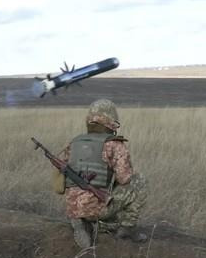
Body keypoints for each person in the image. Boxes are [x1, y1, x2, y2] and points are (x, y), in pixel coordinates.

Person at [56, 99, 148, 247]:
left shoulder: (74, 143)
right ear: (110, 119)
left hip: (73, 207)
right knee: (139, 180)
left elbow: (58, 186)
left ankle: (80, 220)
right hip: (97, 208)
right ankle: (127, 228)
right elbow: (124, 179)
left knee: (88, 198)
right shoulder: (115, 145)